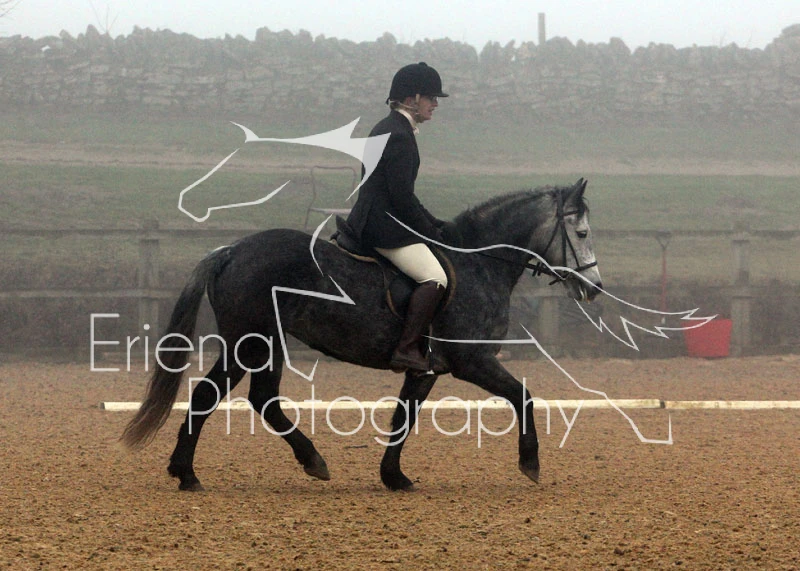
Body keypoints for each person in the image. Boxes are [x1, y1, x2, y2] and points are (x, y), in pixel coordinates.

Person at [345, 62, 450, 373]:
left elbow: (403, 195)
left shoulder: (389, 127)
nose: (435, 104)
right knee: (436, 278)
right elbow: (401, 198)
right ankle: (406, 349)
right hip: (383, 227)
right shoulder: (399, 135)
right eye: (430, 97)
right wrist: (430, 231)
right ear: (411, 99)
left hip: (376, 218)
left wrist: (434, 223)